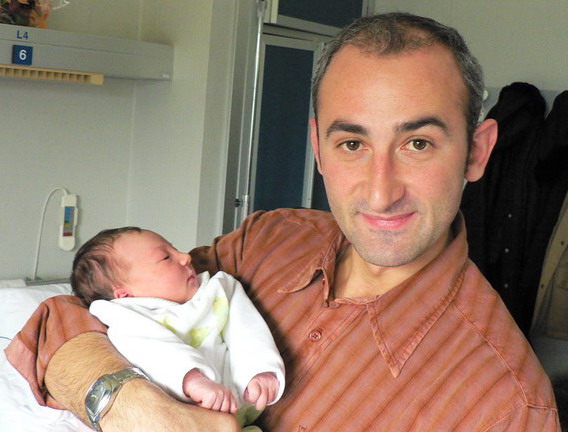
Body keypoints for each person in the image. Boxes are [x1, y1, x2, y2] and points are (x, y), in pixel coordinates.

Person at [5, 12, 561, 432]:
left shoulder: (506, 405)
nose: (380, 191)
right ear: (318, 148)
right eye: (352, 144)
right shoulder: (267, 241)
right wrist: (130, 405)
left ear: (477, 152)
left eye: (418, 143)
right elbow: (67, 317)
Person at [70, 227, 285, 429]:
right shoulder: (126, 318)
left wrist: (260, 371)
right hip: (175, 420)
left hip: (239, 410)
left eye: (175, 249)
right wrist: (193, 380)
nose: (185, 257)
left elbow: (248, 331)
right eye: (166, 257)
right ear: (125, 294)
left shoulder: (219, 290)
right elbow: (154, 352)